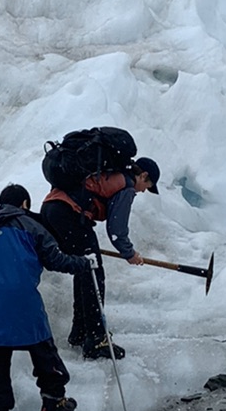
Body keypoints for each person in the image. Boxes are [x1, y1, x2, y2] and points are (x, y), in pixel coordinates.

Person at [0, 184, 90, 411]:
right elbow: (55, 259)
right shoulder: (30, 226)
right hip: (22, 300)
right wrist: (82, 263)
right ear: (24, 203)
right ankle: (53, 400)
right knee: (43, 350)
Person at [39, 155, 161, 361]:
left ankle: (80, 333)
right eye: (146, 186)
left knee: (85, 268)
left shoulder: (106, 174)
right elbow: (116, 229)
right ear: (143, 175)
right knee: (94, 271)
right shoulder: (126, 185)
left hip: (53, 209)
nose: (142, 191)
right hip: (69, 213)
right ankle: (96, 339)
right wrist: (129, 253)